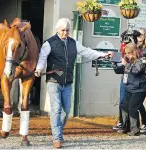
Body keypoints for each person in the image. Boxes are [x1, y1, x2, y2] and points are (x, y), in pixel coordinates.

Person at [34, 18, 112, 148]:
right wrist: (38, 69)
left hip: (68, 82)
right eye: (63, 30)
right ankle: (56, 137)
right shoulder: (49, 43)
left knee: (66, 111)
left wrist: (102, 55)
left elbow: (87, 52)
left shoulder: (73, 43)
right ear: (57, 30)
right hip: (53, 81)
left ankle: (58, 130)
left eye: (67, 30)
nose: (65, 33)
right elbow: (42, 58)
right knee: (56, 109)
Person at [114, 43, 146, 136]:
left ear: (134, 52)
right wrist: (114, 63)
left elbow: (136, 71)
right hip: (130, 88)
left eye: (129, 53)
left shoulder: (141, 60)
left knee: (132, 108)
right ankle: (126, 127)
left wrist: (126, 65)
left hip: (140, 89)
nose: (127, 55)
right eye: (126, 53)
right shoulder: (128, 61)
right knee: (124, 107)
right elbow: (119, 70)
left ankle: (135, 129)